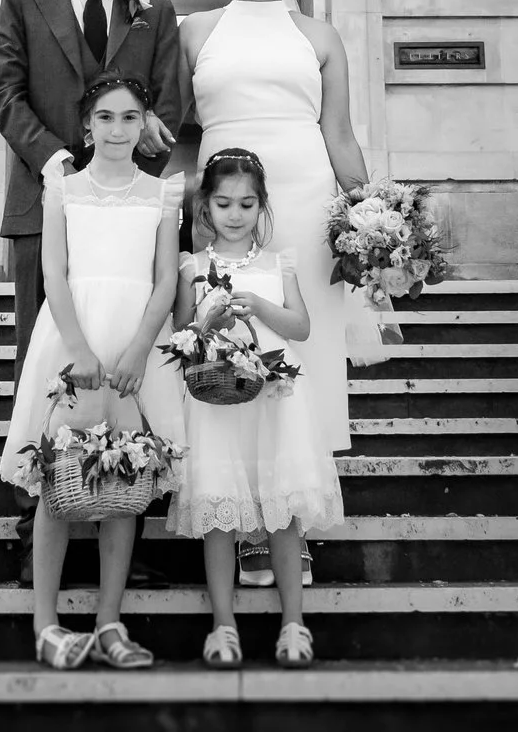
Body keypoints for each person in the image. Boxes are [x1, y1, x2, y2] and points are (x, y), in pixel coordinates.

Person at [0, 0, 185, 578]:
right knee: (49, 359)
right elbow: (6, 93)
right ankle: (40, 508)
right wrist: (56, 164)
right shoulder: (22, 0)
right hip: (49, 200)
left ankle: (131, 498)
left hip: (129, 214)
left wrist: (146, 132)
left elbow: (172, 99)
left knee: (133, 356)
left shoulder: (153, 10)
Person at [180, 0, 376, 589]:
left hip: (301, 197)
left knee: (300, 353)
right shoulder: (194, 30)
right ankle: (243, 519)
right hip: (224, 204)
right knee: (232, 344)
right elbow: (174, 129)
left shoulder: (319, 35)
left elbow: (341, 134)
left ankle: (293, 516)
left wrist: (376, 218)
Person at [0, 76, 186, 670]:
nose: (117, 129)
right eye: (105, 118)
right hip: (72, 341)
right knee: (61, 478)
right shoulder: (63, 188)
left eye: (130, 118)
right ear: (87, 127)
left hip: (133, 343)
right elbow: (54, 273)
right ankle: (46, 624)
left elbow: (164, 281)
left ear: (145, 125)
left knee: (123, 484)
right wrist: (77, 348)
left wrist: (137, 351)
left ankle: (109, 620)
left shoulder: (162, 194)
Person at [169, 147, 339, 669]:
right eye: (223, 204)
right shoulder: (192, 267)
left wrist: (260, 305)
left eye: (246, 204)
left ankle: (294, 624)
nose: (235, 214)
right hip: (218, 401)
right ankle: (224, 626)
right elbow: (180, 337)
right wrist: (209, 321)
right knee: (220, 510)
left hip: (277, 400)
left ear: (261, 206)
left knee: (283, 512)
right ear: (206, 208)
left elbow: (301, 327)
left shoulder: (278, 263)